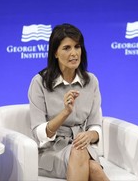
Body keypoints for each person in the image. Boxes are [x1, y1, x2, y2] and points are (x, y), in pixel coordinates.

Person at [28, 23, 109, 181]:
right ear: (55, 53)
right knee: (89, 164)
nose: (74, 53)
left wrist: (89, 135)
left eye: (77, 47)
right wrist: (65, 112)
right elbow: (39, 134)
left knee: (91, 164)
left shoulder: (91, 81)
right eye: (67, 48)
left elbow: (95, 125)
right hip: (51, 153)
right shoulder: (39, 83)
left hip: (83, 149)